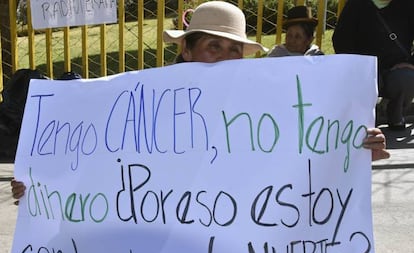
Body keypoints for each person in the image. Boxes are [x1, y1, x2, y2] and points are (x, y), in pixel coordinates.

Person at [11, 1, 389, 201]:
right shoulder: (145, 104)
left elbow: (300, 155)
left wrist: (353, 150)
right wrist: (44, 188)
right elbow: (105, 160)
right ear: (188, 52)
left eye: (234, 50)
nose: (225, 58)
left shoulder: (266, 108)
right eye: (213, 47)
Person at [332, 0, 414, 131]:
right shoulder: (355, 5)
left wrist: (411, 63)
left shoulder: (408, 4)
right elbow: (341, 39)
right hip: (365, 67)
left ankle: (395, 114)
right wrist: (358, 64)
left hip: (397, 67)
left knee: (407, 78)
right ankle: (366, 117)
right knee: (364, 80)